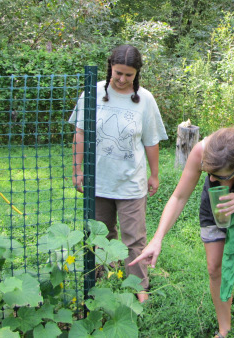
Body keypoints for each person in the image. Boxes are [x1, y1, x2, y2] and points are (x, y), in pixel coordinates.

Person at [129, 125, 234, 336]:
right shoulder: (202, 151)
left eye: (217, 175)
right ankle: (224, 329)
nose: (210, 180)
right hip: (216, 206)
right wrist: (158, 238)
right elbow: (178, 197)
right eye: (208, 173)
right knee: (214, 267)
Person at [69, 44, 168, 303]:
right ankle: (104, 279)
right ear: (109, 68)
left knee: (134, 237)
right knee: (100, 234)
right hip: (97, 180)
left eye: (129, 75)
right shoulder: (91, 93)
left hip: (130, 183)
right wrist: (77, 170)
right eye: (118, 73)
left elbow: (151, 140)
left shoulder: (145, 99)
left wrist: (154, 174)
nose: (122, 80)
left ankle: (139, 286)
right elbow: (79, 134)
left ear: (137, 74)